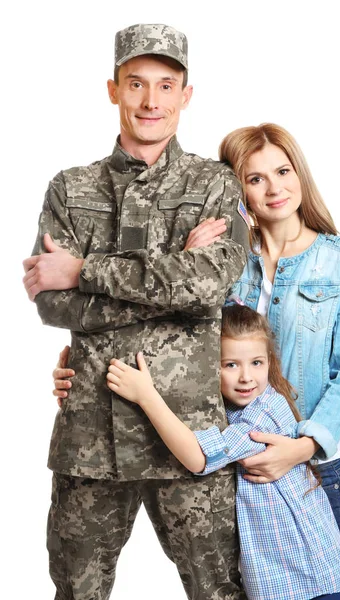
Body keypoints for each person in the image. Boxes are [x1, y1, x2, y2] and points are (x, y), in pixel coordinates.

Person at [22, 23, 250, 600]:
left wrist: (85, 270)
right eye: (137, 84)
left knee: (219, 590)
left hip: (190, 436)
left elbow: (213, 285)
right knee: (76, 592)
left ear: (186, 96)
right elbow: (51, 302)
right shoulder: (70, 189)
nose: (151, 101)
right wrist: (175, 283)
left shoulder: (214, 183)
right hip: (90, 440)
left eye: (166, 86)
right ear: (113, 89)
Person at [186, 123, 340, 599]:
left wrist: (303, 446)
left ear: (299, 173)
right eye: (255, 178)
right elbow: (183, 345)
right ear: (237, 189)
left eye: (283, 171)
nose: (274, 188)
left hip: (317, 476)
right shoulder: (226, 263)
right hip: (237, 478)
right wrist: (189, 261)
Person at [103, 303, 340, 600]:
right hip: (290, 575)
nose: (246, 377)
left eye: (257, 363)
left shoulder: (261, 416)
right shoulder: (236, 409)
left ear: (270, 361)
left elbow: (198, 457)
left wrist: (147, 396)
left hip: (304, 578)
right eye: (231, 364)